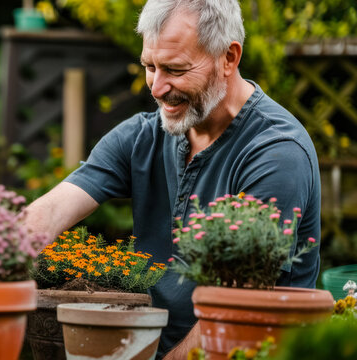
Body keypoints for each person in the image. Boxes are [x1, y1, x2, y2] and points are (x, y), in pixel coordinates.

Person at [24, 0, 320, 359]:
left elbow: (241, 310)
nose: (156, 87)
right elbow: (51, 211)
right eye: (150, 67)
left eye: (175, 70)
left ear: (229, 58)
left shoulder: (275, 153)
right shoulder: (145, 136)